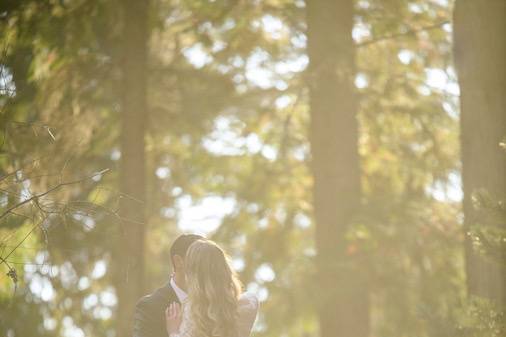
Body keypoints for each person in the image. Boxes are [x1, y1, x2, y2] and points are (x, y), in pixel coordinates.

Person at [165, 239, 259, 337]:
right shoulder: (247, 303)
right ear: (225, 268)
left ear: (194, 276)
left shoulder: (191, 315)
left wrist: (174, 332)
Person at [133, 234, 205, 337]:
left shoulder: (214, 303)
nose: (206, 267)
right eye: (199, 259)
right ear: (178, 261)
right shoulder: (150, 306)